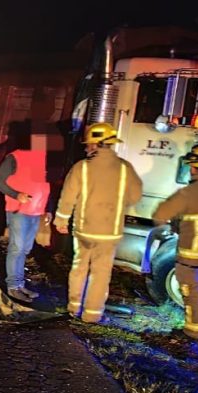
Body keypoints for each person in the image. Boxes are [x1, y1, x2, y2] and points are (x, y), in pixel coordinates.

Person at [53, 122, 142, 323]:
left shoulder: (82, 168)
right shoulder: (125, 168)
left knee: (79, 268)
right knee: (101, 274)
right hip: (110, 232)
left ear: (94, 145)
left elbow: (68, 197)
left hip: (85, 229)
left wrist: (61, 220)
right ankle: (92, 315)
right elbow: (135, 196)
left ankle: (73, 308)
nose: (86, 148)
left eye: (88, 145)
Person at [152, 144, 198, 340]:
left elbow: (160, 215)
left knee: (193, 294)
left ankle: (194, 335)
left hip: (192, 257)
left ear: (193, 167)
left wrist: (175, 224)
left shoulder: (188, 193)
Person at [0, 129, 53, 303]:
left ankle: (19, 285)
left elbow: (43, 186)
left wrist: (48, 208)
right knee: (17, 249)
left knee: (24, 250)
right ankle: (13, 287)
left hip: (34, 212)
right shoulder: (15, 158)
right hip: (19, 211)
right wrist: (16, 195)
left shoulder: (40, 161)